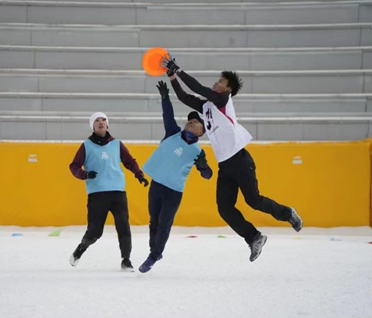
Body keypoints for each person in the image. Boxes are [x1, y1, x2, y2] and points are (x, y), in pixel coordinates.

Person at [162, 55, 303, 262]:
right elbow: (185, 98)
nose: (216, 83)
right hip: (225, 165)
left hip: (239, 159)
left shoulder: (223, 100)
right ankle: (254, 237)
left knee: (253, 200)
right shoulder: (208, 106)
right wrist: (173, 77)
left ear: (227, 89)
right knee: (224, 208)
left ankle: (288, 213)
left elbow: (199, 88)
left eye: (220, 82)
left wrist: (179, 70)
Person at [139, 81, 213, 273]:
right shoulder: (173, 133)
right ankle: (154, 251)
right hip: (156, 186)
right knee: (153, 222)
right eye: (190, 120)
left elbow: (208, 175)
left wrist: (203, 166)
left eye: (195, 121)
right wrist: (165, 98)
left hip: (174, 192)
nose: (190, 121)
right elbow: (168, 116)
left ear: (201, 131)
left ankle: (153, 256)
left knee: (164, 224)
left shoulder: (198, 151)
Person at [69, 112, 149, 271]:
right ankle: (81, 248)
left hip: (117, 192)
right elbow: (74, 166)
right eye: (97, 120)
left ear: (107, 124)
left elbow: (129, 161)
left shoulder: (117, 144)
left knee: (123, 227)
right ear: (92, 125)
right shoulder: (86, 145)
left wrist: (139, 174)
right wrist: (84, 175)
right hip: (97, 194)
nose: (101, 122)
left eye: (103, 120)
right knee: (94, 232)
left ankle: (126, 260)